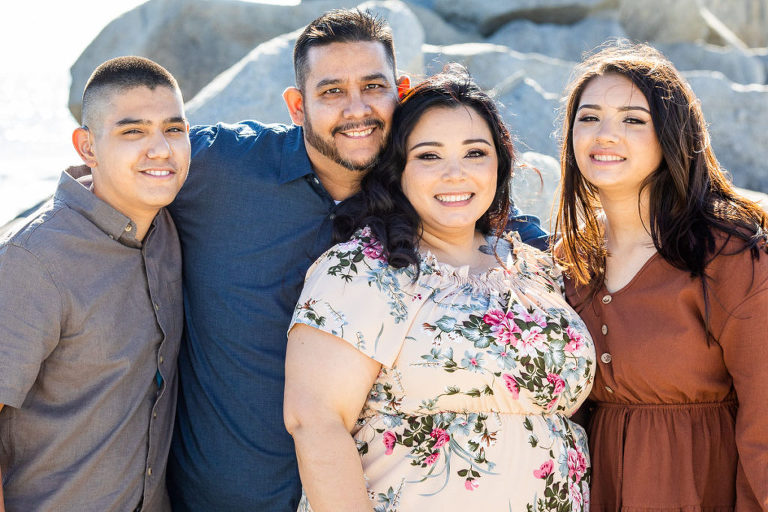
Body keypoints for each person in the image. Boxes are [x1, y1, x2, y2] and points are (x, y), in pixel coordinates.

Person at [165, 9, 548, 511]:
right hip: (233, 499)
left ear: (401, 90)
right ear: (297, 105)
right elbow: (118, 171)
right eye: (331, 92)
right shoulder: (218, 168)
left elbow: (533, 245)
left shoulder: (431, 190)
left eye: (373, 86)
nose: (356, 109)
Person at [283, 65, 595, 511]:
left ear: (499, 165)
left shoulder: (538, 270)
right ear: (399, 170)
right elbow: (315, 421)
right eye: (429, 156)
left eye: (475, 153)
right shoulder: (363, 270)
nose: (455, 174)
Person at [556, 42, 768, 511]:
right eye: (588, 117)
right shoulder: (569, 259)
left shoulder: (728, 254)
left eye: (633, 119)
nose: (605, 134)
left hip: (699, 490)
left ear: (670, 135)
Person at [0, 56, 189, 512]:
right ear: (87, 146)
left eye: (174, 129)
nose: (160, 148)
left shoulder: (166, 228)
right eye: (132, 132)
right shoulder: (34, 261)